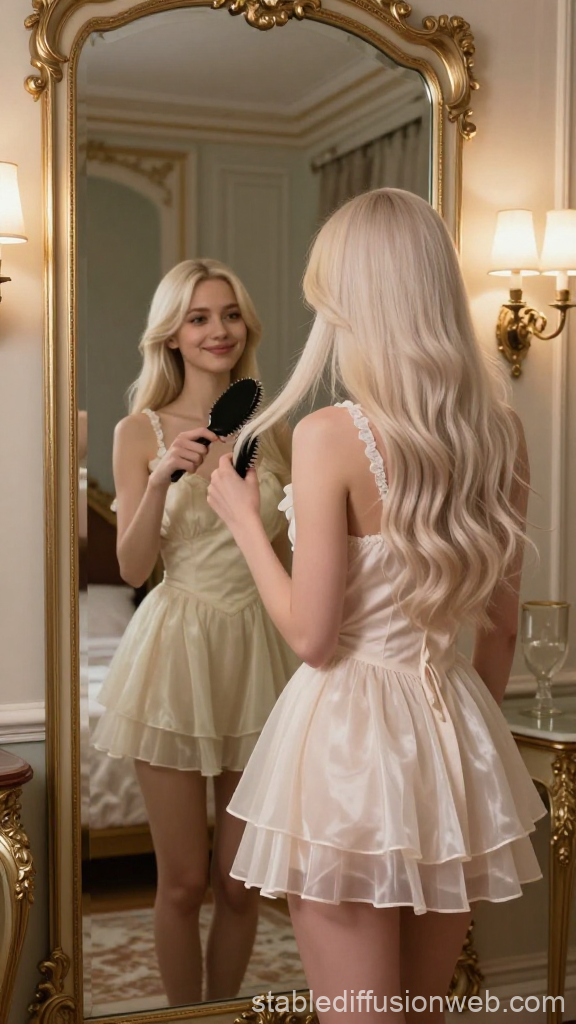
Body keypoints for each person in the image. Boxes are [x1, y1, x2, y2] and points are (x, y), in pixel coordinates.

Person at [206, 190, 548, 1023]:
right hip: (453, 729)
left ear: (354, 301)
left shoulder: (332, 435)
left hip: (349, 745)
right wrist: (458, 749)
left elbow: (314, 640)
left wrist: (246, 525)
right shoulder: (500, 434)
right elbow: (500, 628)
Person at [92, 258, 299, 1006]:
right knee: (181, 883)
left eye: (230, 315)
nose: (219, 330)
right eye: (200, 317)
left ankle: (228, 1014)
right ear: (172, 335)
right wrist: (155, 481)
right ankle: (187, 1020)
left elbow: (283, 556)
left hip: (259, 653)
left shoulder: (273, 427)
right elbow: (132, 566)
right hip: (176, 651)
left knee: (241, 884)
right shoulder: (137, 429)